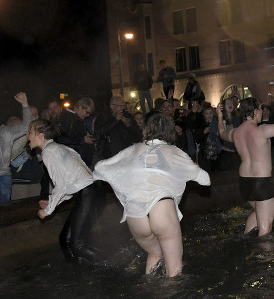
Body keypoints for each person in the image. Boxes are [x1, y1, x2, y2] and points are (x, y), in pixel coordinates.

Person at [93, 114, 210, 277]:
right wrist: (189, 169)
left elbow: (99, 168)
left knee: (154, 254)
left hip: (135, 213)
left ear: (147, 130)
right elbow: (205, 180)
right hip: (161, 209)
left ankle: (151, 295)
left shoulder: (133, 149)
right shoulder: (174, 151)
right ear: (170, 133)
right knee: (174, 272)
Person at [28, 119, 108, 264]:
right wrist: (52, 202)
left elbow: (60, 186)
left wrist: (48, 210)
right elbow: (71, 184)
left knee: (77, 244)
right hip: (93, 191)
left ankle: (113, 267)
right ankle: (81, 273)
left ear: (40, 135)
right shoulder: (60, 148)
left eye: (29, 132)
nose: (27, 136)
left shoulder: (48, 152)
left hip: (89, 193)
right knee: (65, 239)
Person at [218, 96, 274, 236]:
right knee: (265, 226)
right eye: (260, 109)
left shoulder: (236, 133)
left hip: (245, 182)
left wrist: (219, 116)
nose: (261, 112)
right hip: (261, 182)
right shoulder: (262, 131)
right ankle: (264, 257)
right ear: (255, 112)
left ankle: (246, 239)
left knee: (258, 212)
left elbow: (222, 133)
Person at [0, 92, 32, 205]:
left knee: (2, 211)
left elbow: (27, 126)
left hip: (3, 177)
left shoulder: (5, 132)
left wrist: (25, 104)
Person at [94, 96, 143, 160]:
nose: (123, 109)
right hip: (110, 156)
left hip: (127, 154)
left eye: (124, 106)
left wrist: (128, 124)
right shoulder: (104, 117)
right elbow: (100, 133)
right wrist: (115, 120)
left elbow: (138, 137)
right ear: (112, 106)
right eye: (120, 106)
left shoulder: (128, 118)